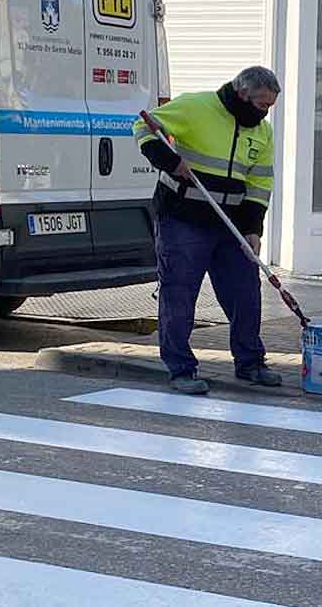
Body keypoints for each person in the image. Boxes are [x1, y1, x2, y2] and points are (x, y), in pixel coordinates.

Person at [133, 66, 282, 396]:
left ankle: (250, 362)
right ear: (242, 95)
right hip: (184, 219)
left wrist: (253, 229)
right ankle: (181, 368)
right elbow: (143, 127)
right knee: (180, 293)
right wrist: (170, 161)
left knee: (245, 293)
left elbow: (259, 183)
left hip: (231, 226)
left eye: (270, 107)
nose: (264, 113)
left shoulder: (262, 131)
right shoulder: (196, 107)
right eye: (261, 105)